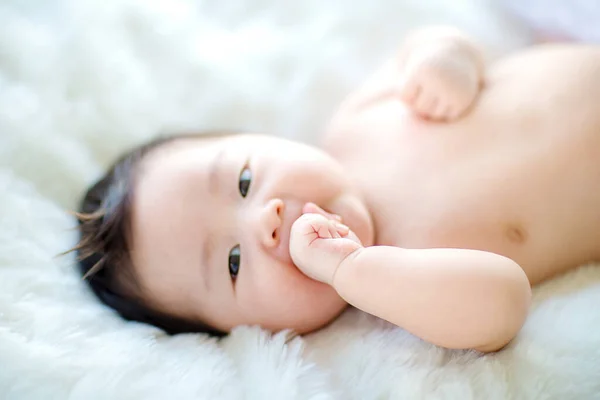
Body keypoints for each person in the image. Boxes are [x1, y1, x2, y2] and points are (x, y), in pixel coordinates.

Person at [70, 26, 600, 352]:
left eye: (245, 181)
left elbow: (429, 41)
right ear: (256, 332)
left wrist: (446, 58)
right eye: (233, 263)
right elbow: (503, 303)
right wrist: (354, 272)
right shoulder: (402, 286)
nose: (266, 220)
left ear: (265, 137)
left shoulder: (354, 126)